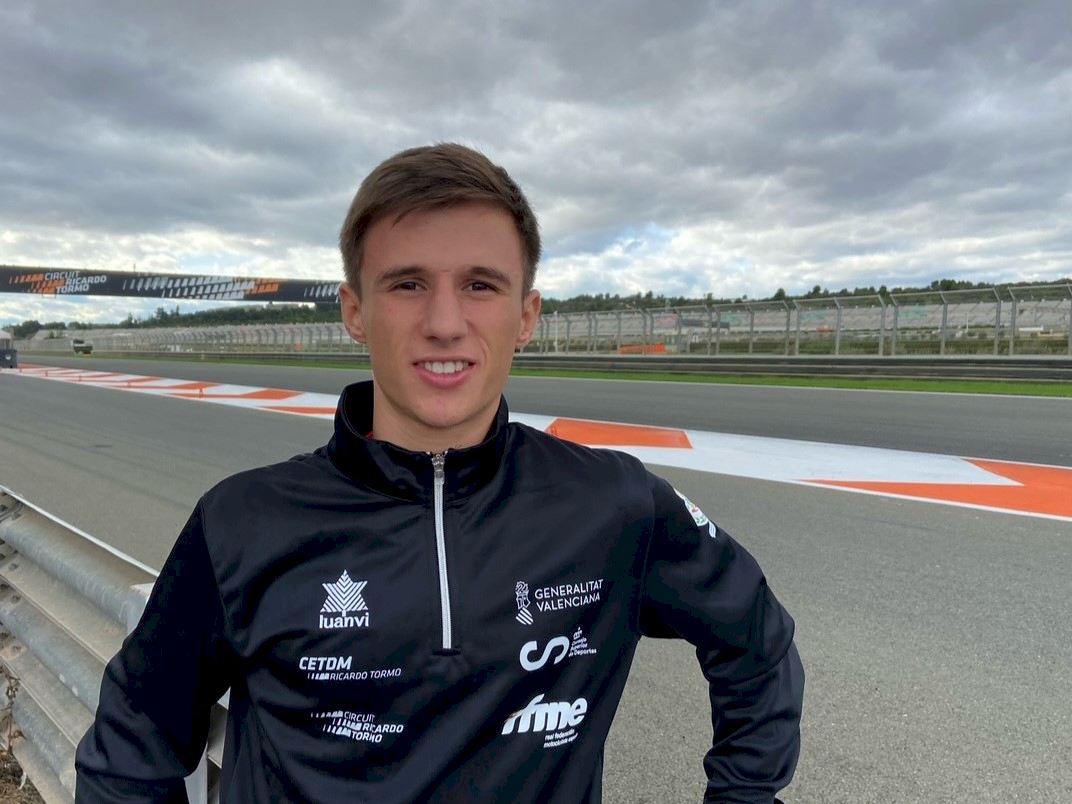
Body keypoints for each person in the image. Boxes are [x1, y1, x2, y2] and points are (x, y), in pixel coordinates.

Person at [76, 143, 804, 802]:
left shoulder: (615, 504)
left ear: (526, 316)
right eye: (408, 285)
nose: (445, 323)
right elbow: (134, 739)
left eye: (481, 285)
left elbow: (757, 643)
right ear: (355, 312)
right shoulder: (243, 520)